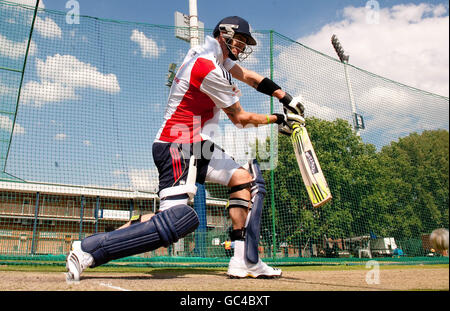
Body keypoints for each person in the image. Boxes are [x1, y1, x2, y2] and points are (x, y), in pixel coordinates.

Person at [65, 16, 304, 281]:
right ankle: (87, 250)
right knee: (176, 221)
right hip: (176, 145)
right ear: (224, 34)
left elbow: (249, 77)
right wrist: (280, 119)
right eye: (240, 39)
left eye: (246, 42)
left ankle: (244, 260)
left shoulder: (216, 59)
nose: (243, 45)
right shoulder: (207, 68)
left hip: (196, 144)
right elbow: (240, 119)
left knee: (243, 177)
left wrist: (286, 98)